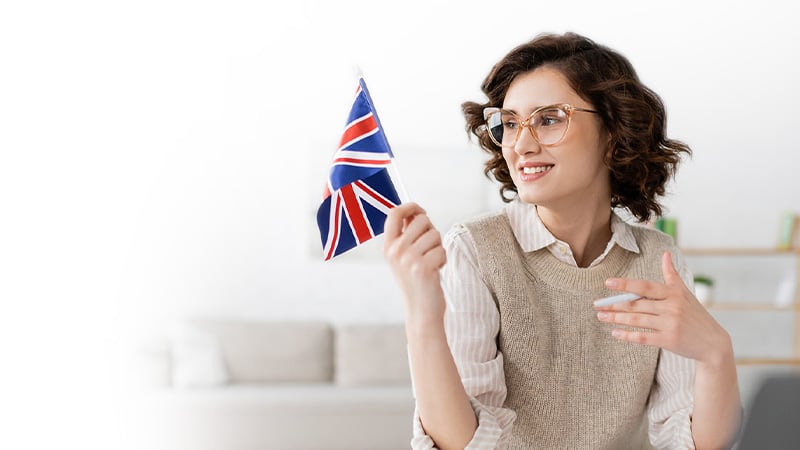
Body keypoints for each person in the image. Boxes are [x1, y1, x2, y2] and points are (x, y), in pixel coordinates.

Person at [383, 32, 741, 450]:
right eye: (511, 123)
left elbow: (690, 443)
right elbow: (464, 444)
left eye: (549, 119)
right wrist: (423, 313)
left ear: (612, 133)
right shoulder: (477, 249)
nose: (521, 144)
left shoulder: (658, 259)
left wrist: (717, 352)